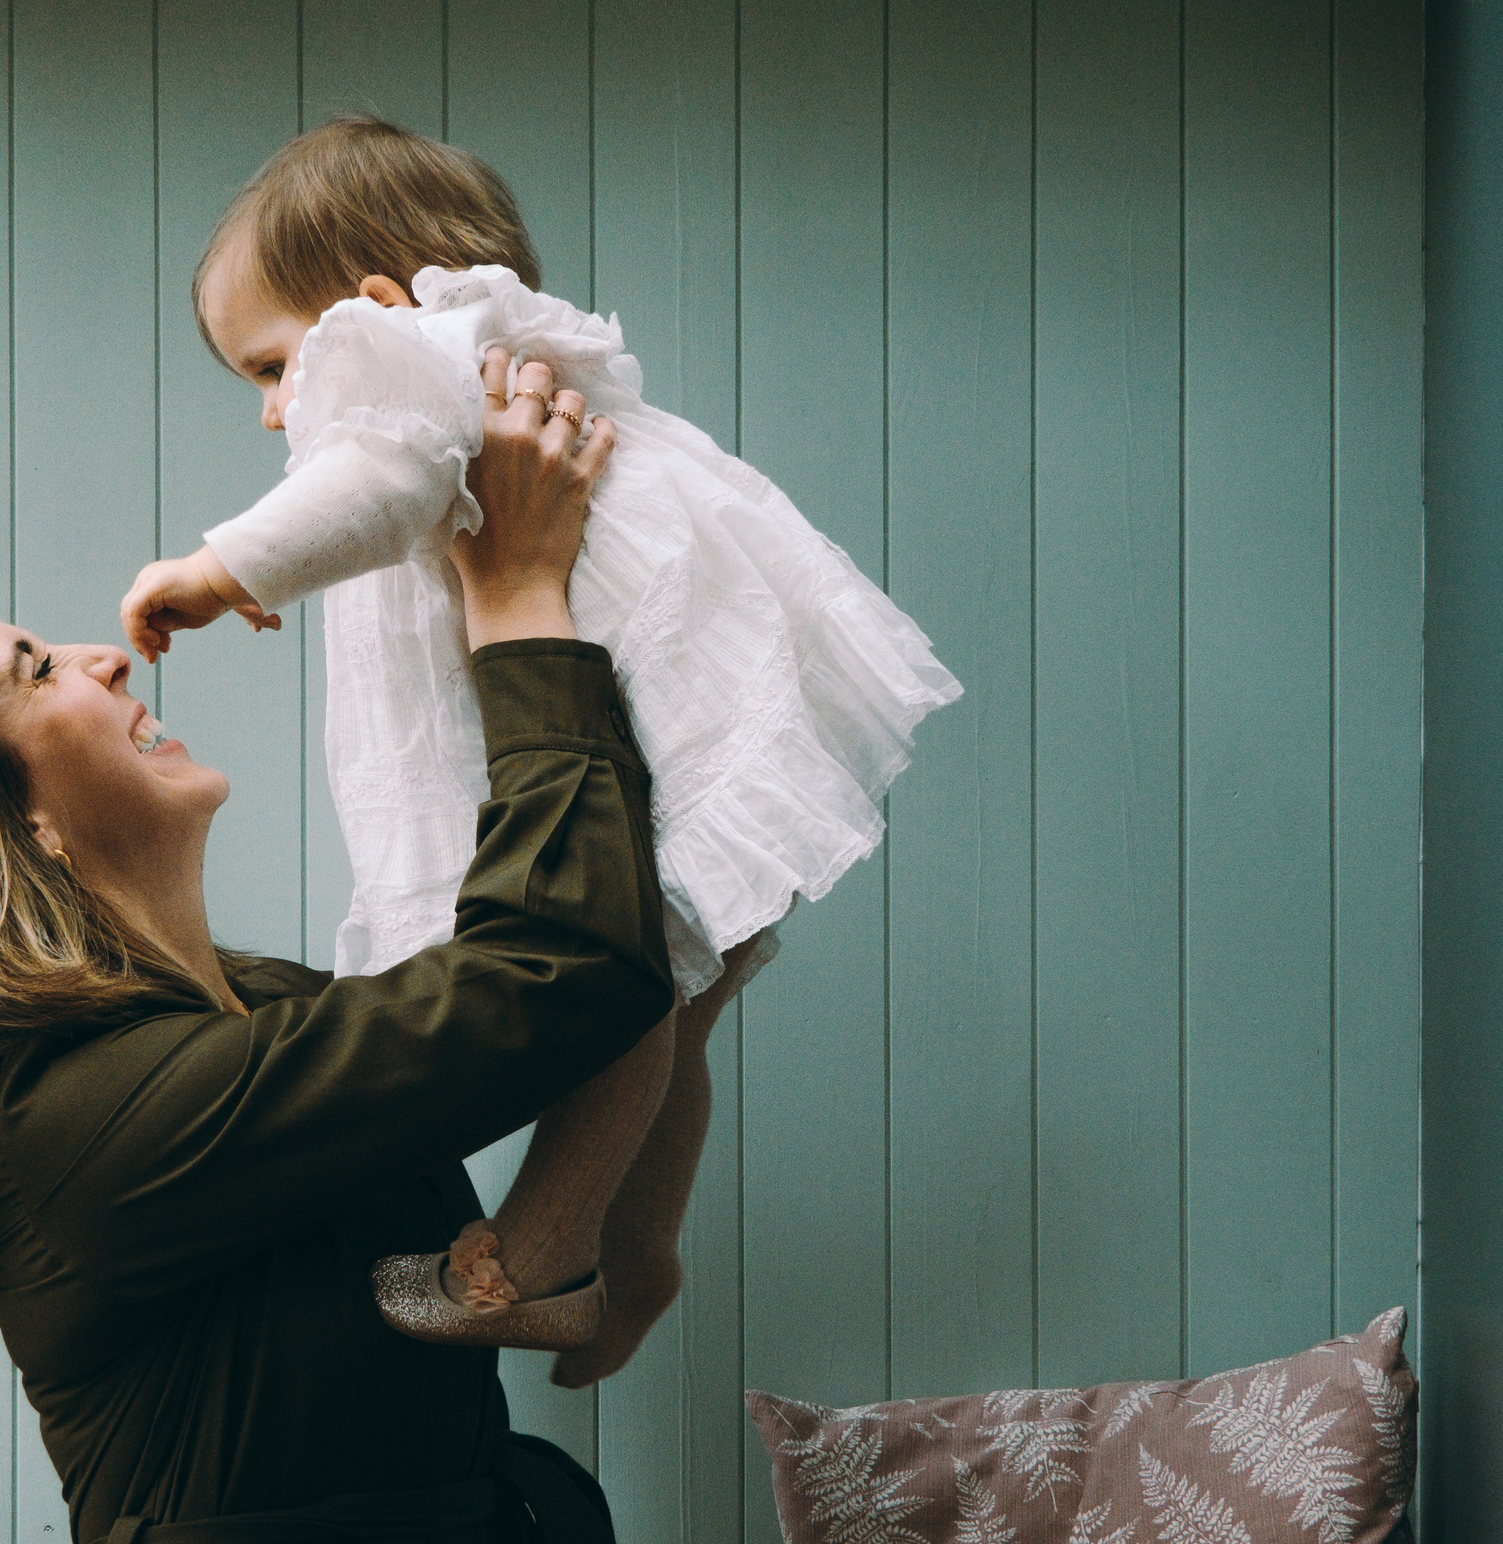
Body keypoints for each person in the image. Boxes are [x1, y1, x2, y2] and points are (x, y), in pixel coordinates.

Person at [0, 366, 657, 1543]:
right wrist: (515, 590)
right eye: (37, 669)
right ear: (8, 824)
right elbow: (558, 971)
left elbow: (560, 984)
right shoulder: (78, 1113)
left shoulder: (257, 1004)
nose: (103, 657)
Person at [120, 117, 963, 1383]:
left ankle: (544, 1251)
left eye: (275, 364)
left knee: (613, 990)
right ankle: (634, 1249)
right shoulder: (496, 367)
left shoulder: (416, 369)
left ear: (371, 307)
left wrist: (215, 567)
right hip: (697, 736)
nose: (271, 409)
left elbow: (370, 487)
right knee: (664, 1010)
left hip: (652, 750)